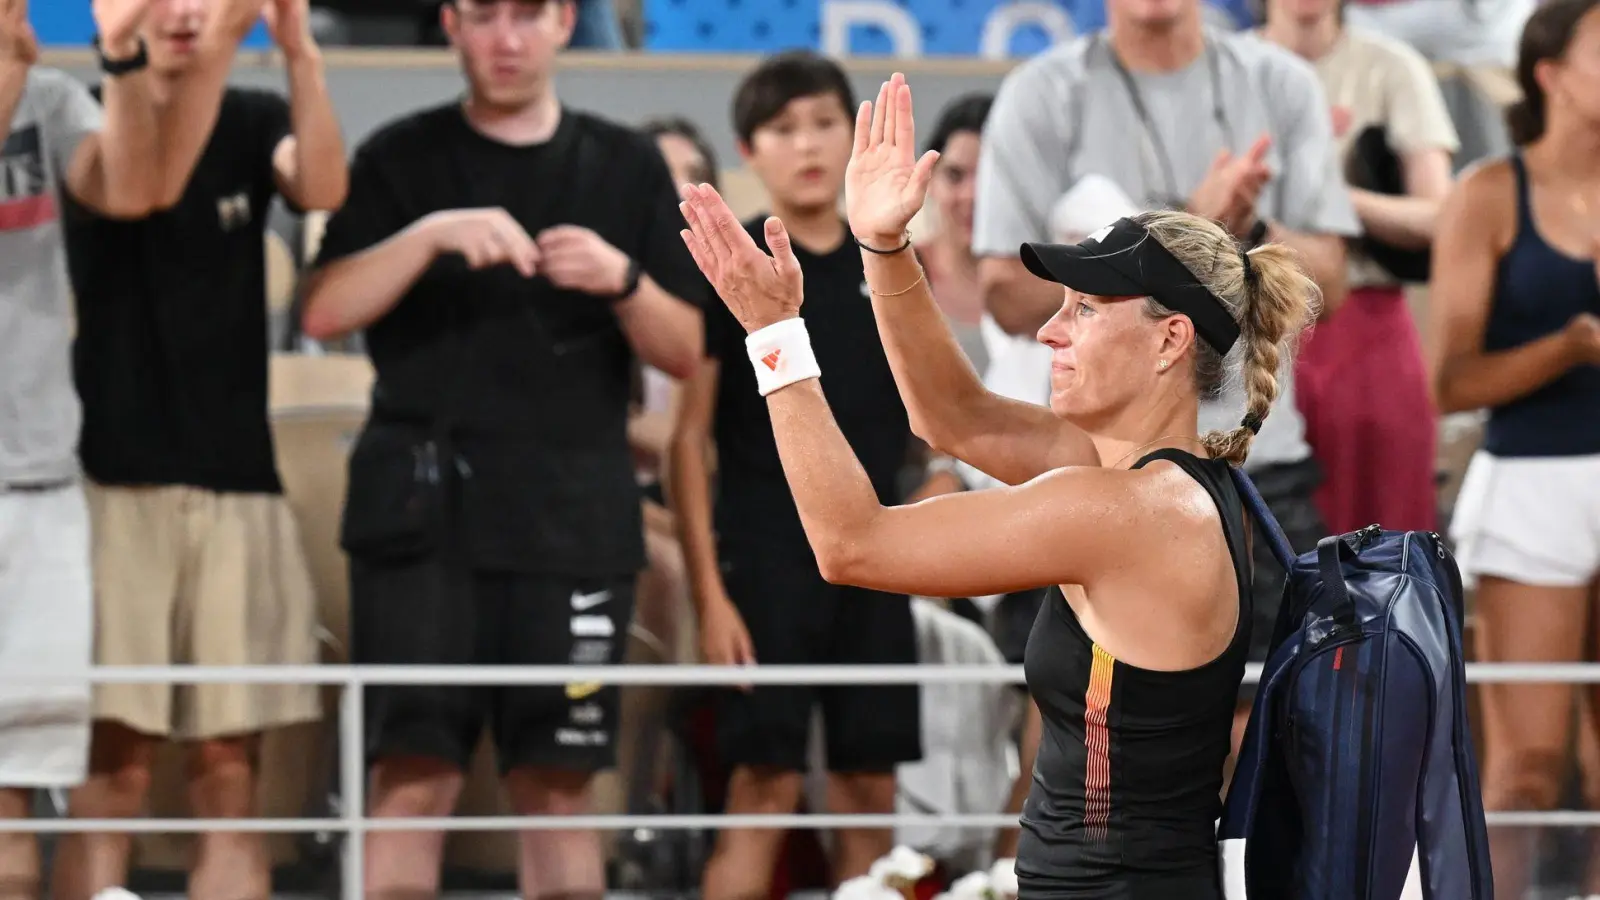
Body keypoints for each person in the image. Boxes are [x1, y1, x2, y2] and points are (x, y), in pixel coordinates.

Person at [677, 72, 1321, 900]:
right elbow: (954, 416)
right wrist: (884, 246)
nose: (1051, 329)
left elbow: (852, 544)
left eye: (1086, 308)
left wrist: (773, 340)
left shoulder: (1124, 511)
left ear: (1169, 341)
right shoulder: (1151, 479)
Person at [299, 0, 706, 897]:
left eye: (528, 15)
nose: (507, 39)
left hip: (573, 526)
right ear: (450, 23)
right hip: (422, 522)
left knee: (560, 789)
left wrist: (623, 279)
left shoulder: (624, 164)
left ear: (565, 22)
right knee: (412, 778)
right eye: (484, 16)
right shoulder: (400, 156)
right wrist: (429, 236)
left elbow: (686, 350)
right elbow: (322, 310)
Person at [972, 0, 1358, 756]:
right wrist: (1189, 225)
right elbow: (1007, 293)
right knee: (1076, 730)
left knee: (1263, 738)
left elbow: (1331, 284)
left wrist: (1232, 237)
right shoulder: (1043, 91)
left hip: (1254, 469)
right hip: (1097, 472)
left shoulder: (1278, 82)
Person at [50, 1, 344, 899]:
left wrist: (299, 58)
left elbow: (324, 186)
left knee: (230, 771)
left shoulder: (254, 118)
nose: (184, 13)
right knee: (115, 767)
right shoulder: (87, 118)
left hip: (238, 483)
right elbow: (144, 185)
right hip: (111, 484)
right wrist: (199, 45)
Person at [666, 51, 923, 900]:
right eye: (784, 128)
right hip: (768, 560)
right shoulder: (728, 272)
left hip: (882, 558)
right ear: (748, 148)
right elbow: (689, 442)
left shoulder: (887, 259)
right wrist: (711, 596)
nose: (808, 145)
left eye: (823, 122)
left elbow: (929, 413)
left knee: (868, 791)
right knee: (761, 787)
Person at [1428, 0, 1600, 895]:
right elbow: (1449, 382)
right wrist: (1566, 349)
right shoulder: (1490, 194)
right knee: (1527, 765)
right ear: (1551, 72)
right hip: (1533, 480)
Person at [0, 0, 161, 893]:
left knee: (12, 787)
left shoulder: (52, 97)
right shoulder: (21, 81)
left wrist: (123, 59)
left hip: (35, 485)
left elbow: (130, 191)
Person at [1262, 0, 1459, 535]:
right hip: (1254, 320)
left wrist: (1327, 201)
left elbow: (1441, 216)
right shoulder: (1231, 68)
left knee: (1385, 538)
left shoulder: (1390, 67)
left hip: (1368, 324)